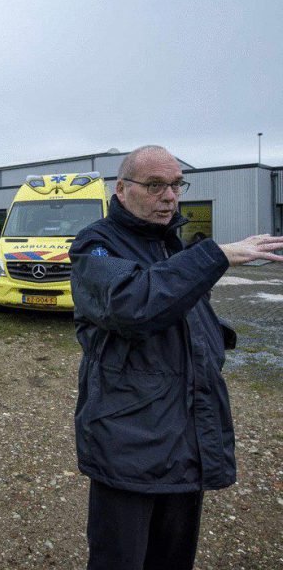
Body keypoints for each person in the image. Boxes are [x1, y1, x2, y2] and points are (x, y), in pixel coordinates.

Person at [69, 144, 283, 570]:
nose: (169, 196)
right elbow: (130, 305)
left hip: (185, 434)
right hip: (129, 438)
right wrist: (216, 256)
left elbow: (179, 310)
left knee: (173, 558)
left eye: (175, 185)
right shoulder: (96, 245)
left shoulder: (168, 243)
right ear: (122, 189)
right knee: (121, 559)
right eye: (154, 186)